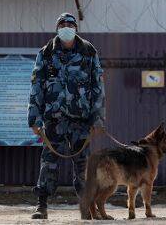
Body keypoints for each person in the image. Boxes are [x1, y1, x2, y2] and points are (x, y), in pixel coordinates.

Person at [27, 12, 105, 219]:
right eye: (62, 24)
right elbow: (36, 87)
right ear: (57, 28)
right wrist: (34, 119)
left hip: (81, 120)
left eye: (70, 24)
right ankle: (41, 206)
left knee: (83, 165)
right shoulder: (46, 53)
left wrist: (98, 118)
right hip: (54, 119)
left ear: (76, 28)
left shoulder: (88, 51)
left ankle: (87, 208)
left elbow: (98, 87)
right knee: (48, 162)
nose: (66, 27)